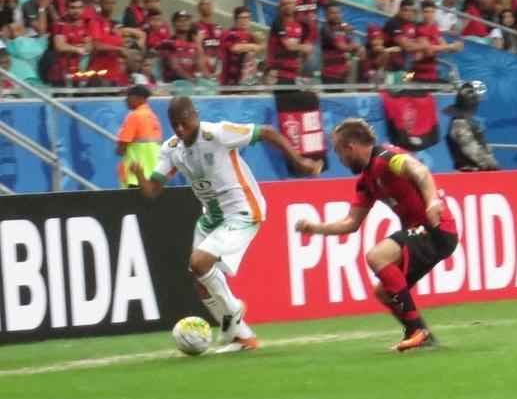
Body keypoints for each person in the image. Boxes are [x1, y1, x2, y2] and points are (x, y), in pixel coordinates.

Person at [131, 97, 322, 352]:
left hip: (243, 211)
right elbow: (153, 190)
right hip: (211, 218)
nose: (179, 128)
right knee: (199, 278)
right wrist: (141, 177)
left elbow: (266, 131)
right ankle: (242, 337)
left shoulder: (217, 134)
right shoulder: (172, 149)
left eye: (184, 121)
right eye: (174, 124)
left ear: (195, 115)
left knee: (199, 262)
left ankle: (233, 311)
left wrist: (298, 161)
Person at [293, 119, 459, 352]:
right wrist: (314, 228)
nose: (339, 159)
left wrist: (432, 201)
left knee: (377, 256)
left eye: (339, 152)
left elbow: (420, 171)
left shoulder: (387, 157)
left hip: (436, 228)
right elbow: (351, 223)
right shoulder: (365, 181)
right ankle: (421, 335)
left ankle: (418, 332)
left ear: (350, 146)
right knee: (383, 292)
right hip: (420, 233)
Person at [445, 81, 499, 171]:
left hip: (480, 172)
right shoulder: (459, 124)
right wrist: (492, 166)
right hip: (471, 174)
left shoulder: (469, 122)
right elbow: (471, 150)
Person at [116, 85, 162, 188]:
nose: (126, 100)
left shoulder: (134, 116)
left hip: (136, 175)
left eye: (129, 97)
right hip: (153, 174)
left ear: (140, 98)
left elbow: (121, 148)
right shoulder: (153, 117)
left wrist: (119, 148)